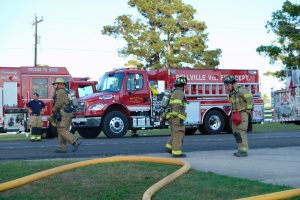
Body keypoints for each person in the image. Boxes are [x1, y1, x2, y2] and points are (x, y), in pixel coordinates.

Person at [224, 75, 254, 157]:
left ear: (232, 84)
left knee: (241, 131)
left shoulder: (241, 90)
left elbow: (250, 98)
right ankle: (240, 149)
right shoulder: (232, 92)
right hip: (235, 114)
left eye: (227, 85)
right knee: (235, 132)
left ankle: (244, 151)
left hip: (242, 113)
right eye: (226, 85)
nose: (226, 87)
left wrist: (248, 110)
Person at [51, 78, 81, 153]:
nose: (54, 86)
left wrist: (54, 109)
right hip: (68, 113)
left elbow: (59, 103)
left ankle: (74, 141)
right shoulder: (66, 91)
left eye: (55, 84)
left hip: (63, 113)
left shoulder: (61, 91)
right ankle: (62, 147)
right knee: (63, 130)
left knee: (61, 130)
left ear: (60, 84)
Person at [164, 76, 188, 158]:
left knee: (175, 133)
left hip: (172, 117)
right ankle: (176, 152)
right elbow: (177, 105)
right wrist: (177, 116)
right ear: (182, 85)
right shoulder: (180, 93)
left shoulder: (174, 92)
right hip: (176, 117)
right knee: (179, 133)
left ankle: (169, 146)